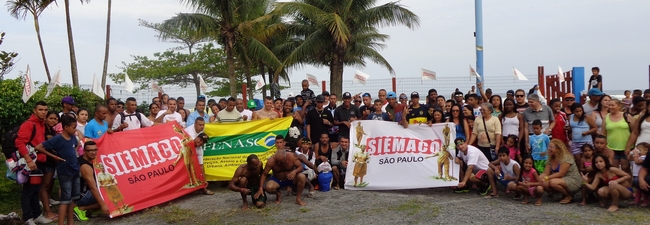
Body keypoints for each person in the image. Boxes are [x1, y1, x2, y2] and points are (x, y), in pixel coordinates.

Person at [34, 116, 78, 225]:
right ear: (66, 127)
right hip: (65, 171)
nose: (75, 130)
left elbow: (76, 146)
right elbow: (39, 147)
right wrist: (54, 156)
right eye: (73, 127)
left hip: (75, 169)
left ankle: (70, 222)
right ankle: (61, 223)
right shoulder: (57, 139)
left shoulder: (72, 137)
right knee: (65, 199)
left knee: (73, 198)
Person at [14, 102, 50, 224]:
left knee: (36, 189)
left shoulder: (41, 124)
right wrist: (29, 160)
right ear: (34, 110)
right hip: (31, 162)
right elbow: (20, 143)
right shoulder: (28, 124)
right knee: (28, 191)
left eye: (45, 110)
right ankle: (28, 218)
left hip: (39, 162)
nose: (43, 112)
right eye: (40, 109)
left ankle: (37, 215)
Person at [254, 135, 307, 206]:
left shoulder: (291, 156)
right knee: (268, 187)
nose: (279, 163)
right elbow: (264, 174)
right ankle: (278, 194)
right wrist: (260, 188)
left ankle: (298, 198)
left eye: (280, 142)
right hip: (278, 179)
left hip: (291, 178)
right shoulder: (271, 160)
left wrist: (294, 171)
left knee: (302, 176)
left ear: (285, 158)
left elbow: (300, 167)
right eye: (278, 161)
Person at [73, 141, 110, 221]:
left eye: (95, 150)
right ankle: (81, 208)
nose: (93, 152)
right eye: (90, 150)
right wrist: (103, 204)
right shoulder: (85, 166)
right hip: (82, 196)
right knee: (110, 197)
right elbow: (93, 188)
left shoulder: (85, 159)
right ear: (84, 151)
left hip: (78, 193)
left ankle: (89, 209)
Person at [540, 139, 582, 204]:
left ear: (558, 149)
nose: (549, 149)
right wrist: (536, 179)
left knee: (552, 182)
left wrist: (546, 178)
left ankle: (568, 196)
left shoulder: (566, 158)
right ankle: (563, 194)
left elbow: (561, 173)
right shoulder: (551, 158)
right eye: (548, 147)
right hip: (561, 179)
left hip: (573, 180)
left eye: (551, 147)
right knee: (544, 184)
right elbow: (545, 173)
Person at [602, 99, 633, 174]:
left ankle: (628, 184)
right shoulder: (606, 117)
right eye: (609, 105)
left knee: (626, 168)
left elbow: (634, 132)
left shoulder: (627, 116)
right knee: (614, 169)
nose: (610, 107)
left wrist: (628, 147)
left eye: (613, 105)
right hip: (611, 148)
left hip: (626, 147)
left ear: (619, 106)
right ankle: (616, 184)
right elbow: (603, 134)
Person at [184, 118, 212, 195]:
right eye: (200, 125)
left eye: (203, 125)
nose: (202, 127)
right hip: (181, 149)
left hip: (192, 149)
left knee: (198, 167)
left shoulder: (199, 145)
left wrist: (204, 180)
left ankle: (203, 187)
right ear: (195, 124)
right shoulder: (189, 134)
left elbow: (201, 166)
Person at [629, 142, 649, 206]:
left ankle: (646, 201)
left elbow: (637, 162)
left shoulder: (644, 157)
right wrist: (631, 153)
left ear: (646, 150)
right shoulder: (638, 156)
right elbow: (629, 159)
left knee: (643, 189)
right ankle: (637, 200)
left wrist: (636, 155)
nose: (638, 151)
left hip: (641, 176)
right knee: (638, 189)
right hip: (636, 174)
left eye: (640, 150)